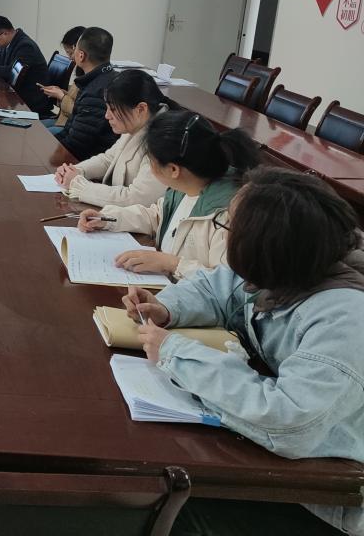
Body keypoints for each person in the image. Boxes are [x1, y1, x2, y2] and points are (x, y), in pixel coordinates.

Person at [124, 168, 364, 536]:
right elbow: (220, 287)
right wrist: (167, 308)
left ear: (266, 245)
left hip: (326, 498)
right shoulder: (293, 261)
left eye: (230, 226)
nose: (226, 234)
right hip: (271, 466)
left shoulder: (346, 321)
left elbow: (289, 420)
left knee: (160, 511)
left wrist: (176, 354)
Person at [78, 110, 258, 280]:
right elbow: (157, 216)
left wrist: (171, 264)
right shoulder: (184, 189)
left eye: (150, 161)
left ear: (173, 170)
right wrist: (107, 219)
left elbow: (226, 283)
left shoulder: (227, 216)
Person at [54, 70, 173, 207]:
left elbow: (137, 198)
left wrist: (79, 185)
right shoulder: (137, 123)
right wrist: (77, 171)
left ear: (141, 109)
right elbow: (108, 159)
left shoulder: (164, 142)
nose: (107, 116)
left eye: (113, 109)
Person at [54, 27, 118, 159]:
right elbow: (69, 130)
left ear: (81, 55)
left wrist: (48, 150)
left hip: (86, 161)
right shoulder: (106, 77)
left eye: (75, 48)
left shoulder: (95, 91)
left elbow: (75, 145)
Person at [0, 16, 53, 117]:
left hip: (28, 102)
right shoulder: (12, 41)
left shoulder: (25, 46)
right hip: (16, 95)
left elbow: (12, 73)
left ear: (5, 33)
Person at [40, 26, 85, 137]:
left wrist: (61, 96)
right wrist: (61, 92)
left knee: (36, 134)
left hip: (69, 125)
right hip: (62, 120)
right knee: (33, 127)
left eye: (70, 53)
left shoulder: (89, 75)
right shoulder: (81, 71)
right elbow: (75, 98)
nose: (70, 58)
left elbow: (78, 112)